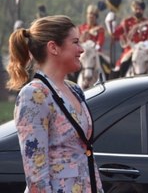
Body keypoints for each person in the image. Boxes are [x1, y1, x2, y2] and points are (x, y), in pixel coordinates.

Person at [6, 15, 103, 193]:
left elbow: (84, 154)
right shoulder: (34, 95)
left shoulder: (75, 89)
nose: (81, 49)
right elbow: (36, 174)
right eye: (75, 42)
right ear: (53, 47)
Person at [111, 0, 148, 77]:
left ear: (143, 10)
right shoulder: (126, 22)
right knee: (120, 66)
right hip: (130, 49)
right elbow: (114, 33)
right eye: (136, 8)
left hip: (145, 50)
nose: (138, 11)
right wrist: (110, 22)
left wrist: (142, 46)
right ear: (133, 9)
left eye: (140, 9)